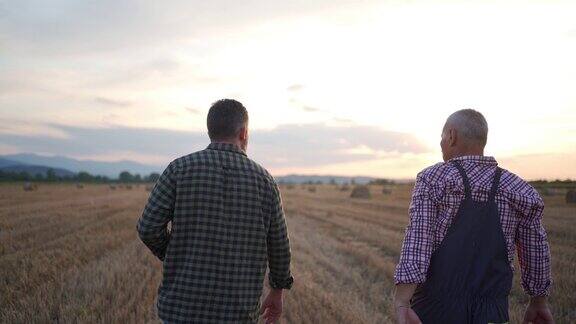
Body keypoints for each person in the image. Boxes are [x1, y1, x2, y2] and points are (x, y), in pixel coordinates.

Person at [137, 99, 293, 323]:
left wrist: (173, 253)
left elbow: (148, 228)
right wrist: (277, 291)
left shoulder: (179, 169)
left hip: (181, 309)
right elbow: (279, 246)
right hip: (238, 313)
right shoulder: (265, 181)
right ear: (243, 133)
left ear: (210, 130)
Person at [394, 109, 554, 324]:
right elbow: (535, 249)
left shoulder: (434, 178)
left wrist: (403, 300)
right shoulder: (521, 190)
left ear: (452, 136)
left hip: (435, 310)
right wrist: (539, 301)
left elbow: (418, 240)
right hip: (492, 314)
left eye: (441, 137)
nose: (440, 143)